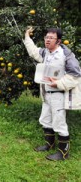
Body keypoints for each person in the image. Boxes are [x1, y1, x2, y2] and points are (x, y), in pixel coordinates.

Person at [24, 27, 81, 161]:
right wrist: (27, 36)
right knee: (45, 119)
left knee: (59, 122)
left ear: (59, 41)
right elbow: (33, 51)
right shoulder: (46, 53)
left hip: (58, 94)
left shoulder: (66, 55)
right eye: (46, 37)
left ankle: (63, 153)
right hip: (46, 93)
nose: (47, 40)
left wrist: (59, 83)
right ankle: (49, 144)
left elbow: (76, 75)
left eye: (51, 38)